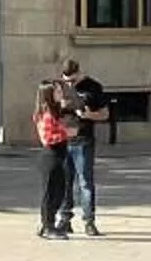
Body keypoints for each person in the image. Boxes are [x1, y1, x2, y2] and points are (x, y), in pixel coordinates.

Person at [60, 59, 112, 236]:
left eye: (73, 81)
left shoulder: (93, 87)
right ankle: (64, 219)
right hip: (64, 139)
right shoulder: (60, 87)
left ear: (79, 73)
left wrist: (89, 115)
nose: (69, 84)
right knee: (64, 181)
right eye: (66, 81)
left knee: (85, 182)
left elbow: (105, 114)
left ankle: (89, 220)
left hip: (83, 140)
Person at [33, 82, 82, 239]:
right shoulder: (46, 114)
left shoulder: (56, 111)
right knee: (50, 192)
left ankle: (47, 223)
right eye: (57, 91)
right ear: (49, 94)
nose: (61, 93)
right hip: (51, 155)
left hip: (59, 155)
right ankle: (47, 226)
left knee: (60, 192)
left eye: (60, 90)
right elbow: (47, 138)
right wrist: (67, 133)